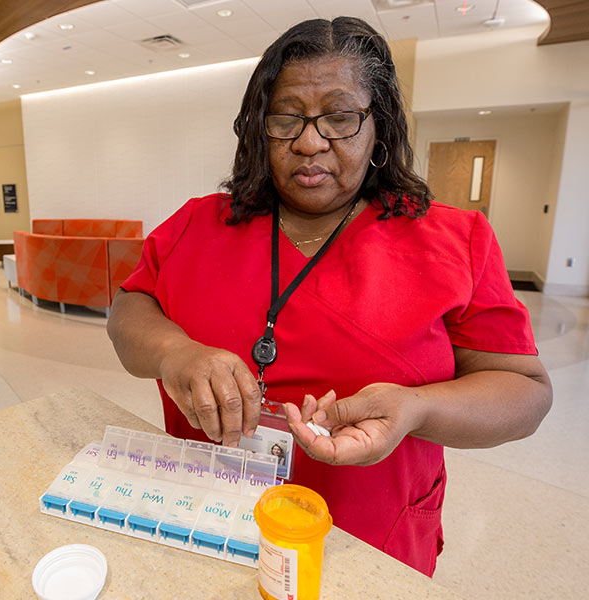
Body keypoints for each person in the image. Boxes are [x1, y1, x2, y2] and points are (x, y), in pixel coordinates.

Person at [106, 17, 552, 576]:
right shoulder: (199, 223)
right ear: (258, 128)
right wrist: (175, 352)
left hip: (367, 538)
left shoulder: (454, 239)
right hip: (204, 519)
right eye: (286, 118)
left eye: (339, 118)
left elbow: (525, 393)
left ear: (379, 127)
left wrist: (418, 409)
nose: (309, 140)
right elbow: (129, 307)